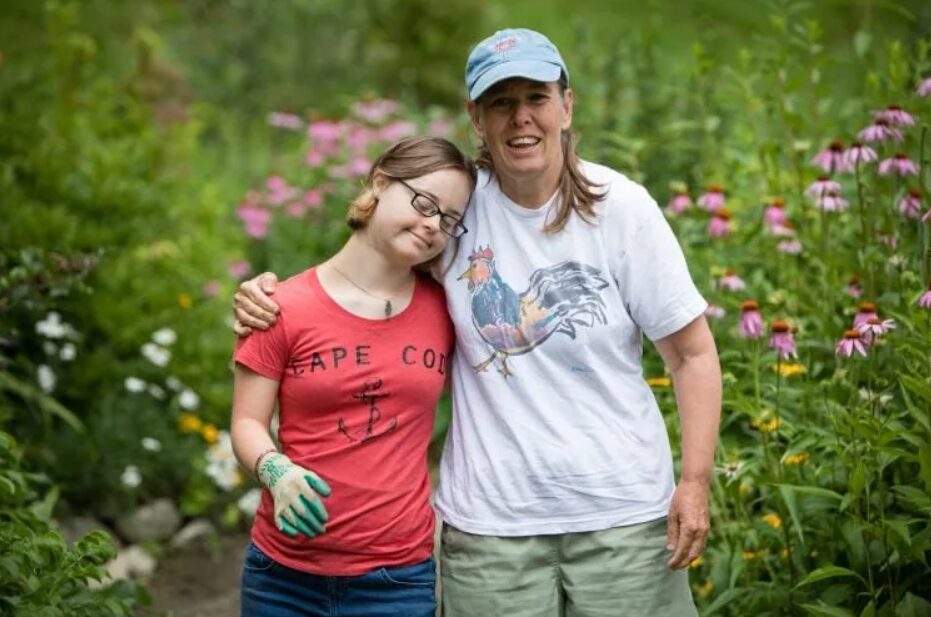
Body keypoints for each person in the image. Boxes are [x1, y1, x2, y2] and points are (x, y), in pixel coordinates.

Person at [234, 29, 721, 617]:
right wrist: (271, 296)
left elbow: (692, 354)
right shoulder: (453, 207)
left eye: (537, 98)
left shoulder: (622, 207)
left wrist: (694, 482)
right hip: (492, 529)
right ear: (477, 119)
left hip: (623, 516)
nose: (521, 118)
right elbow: (367, 269)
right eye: (501, 102)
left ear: (567, 106)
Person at [230, 136, 476, 617]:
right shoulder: (280, 307)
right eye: (424, 203)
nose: (433, 225)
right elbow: (246, 423)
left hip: (397, 579)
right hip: (282, 578)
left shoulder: (449, 310)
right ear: (380, 183)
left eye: (449, 219)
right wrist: (275, 470)